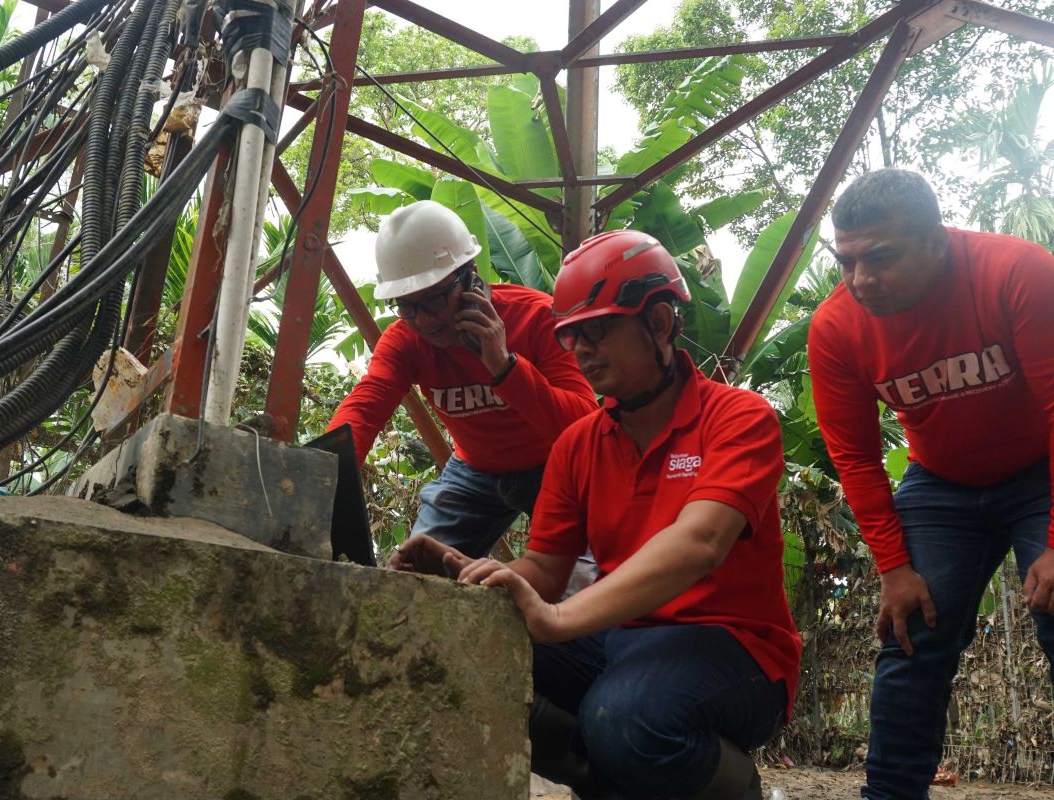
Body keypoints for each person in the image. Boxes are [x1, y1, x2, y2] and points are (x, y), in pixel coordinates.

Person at [391, 230, 801, 800]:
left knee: (623, 719)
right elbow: (544, 570)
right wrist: (466, 574)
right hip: (625, 641)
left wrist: (559, 620)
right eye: (570, 335)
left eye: (597, 330)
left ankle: (742, 791)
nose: (580, 350)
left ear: (659, 322)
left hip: (737, 651)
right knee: (461, 642)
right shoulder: (578, 444)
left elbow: (700, 543)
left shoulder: (738, 417)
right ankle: (618, 783)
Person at [807, 168, 1054, 800]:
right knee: (911, 631)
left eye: (882, 259)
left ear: (937, 242)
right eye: (847, 262)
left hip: (1040, 471)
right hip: (941, 482)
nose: (862, 281)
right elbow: (857, 459)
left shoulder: (1018, 272)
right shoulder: (837, 329)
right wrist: (893, 567)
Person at [329, 200, 599, 562]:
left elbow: (584, 423)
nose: (423, 320)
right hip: (473, 471)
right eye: (406, 306)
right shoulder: (405, 340)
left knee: (585, 580)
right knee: (414, 571)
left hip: (555, 465)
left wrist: (504, 367)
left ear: (471, 278)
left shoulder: (536, 317)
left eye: (434, 300)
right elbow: (364, 409)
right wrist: (326, 476)